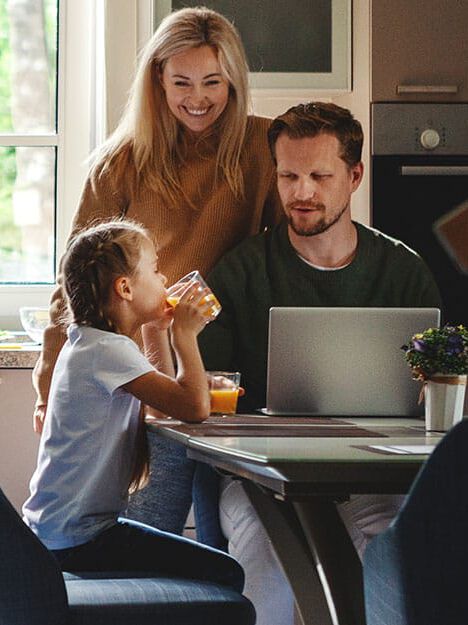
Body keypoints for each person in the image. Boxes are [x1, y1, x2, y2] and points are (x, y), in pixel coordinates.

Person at [32, 7, 281, 534]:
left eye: (213, 82)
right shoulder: (120, 162)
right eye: (181, 82)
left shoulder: (263, 148)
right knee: (148, 525)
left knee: (232, 533)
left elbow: (282, 256)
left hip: (232, 380)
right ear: (157, 81)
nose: (198, 98)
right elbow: (71, 286)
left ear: (234, 81)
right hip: (145, 376)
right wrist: (46, 383)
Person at [196, 102, 442, 625]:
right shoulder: (241, 271)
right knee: (265, 559)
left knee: (395, 557)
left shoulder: (403, 272)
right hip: (262, 478)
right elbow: (207, 392)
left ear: (354, 176)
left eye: (318, 175)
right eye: (288, 175)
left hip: (373, 477)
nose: (300, 192)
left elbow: (438, 388)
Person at [22, 219, 243, 591]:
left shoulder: (90, 344)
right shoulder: (107, 350)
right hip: (80, 542)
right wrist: (184, 335)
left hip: (62, 533)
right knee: (226, 573)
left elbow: (161, 409)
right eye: (155, 270)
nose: (164, 279)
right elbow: (193, 409)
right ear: (125, 288)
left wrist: (155, 330)